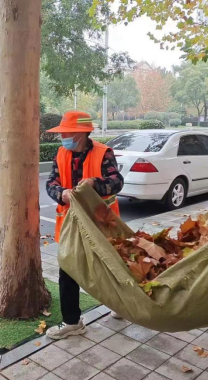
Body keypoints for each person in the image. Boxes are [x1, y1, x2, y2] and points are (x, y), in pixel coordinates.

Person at [45, 110, 124, 340]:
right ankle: (72, 322)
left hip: (101, 225)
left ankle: (121, 304)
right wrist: (62, 194)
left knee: (109, 267)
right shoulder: (61, 153)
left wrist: (94, 183)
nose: (63, 138)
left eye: (66, 133)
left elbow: (116, 182)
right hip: (70, 226)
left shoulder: (103, 153)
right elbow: (51, 182)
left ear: (81, 134)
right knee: (68, 270)